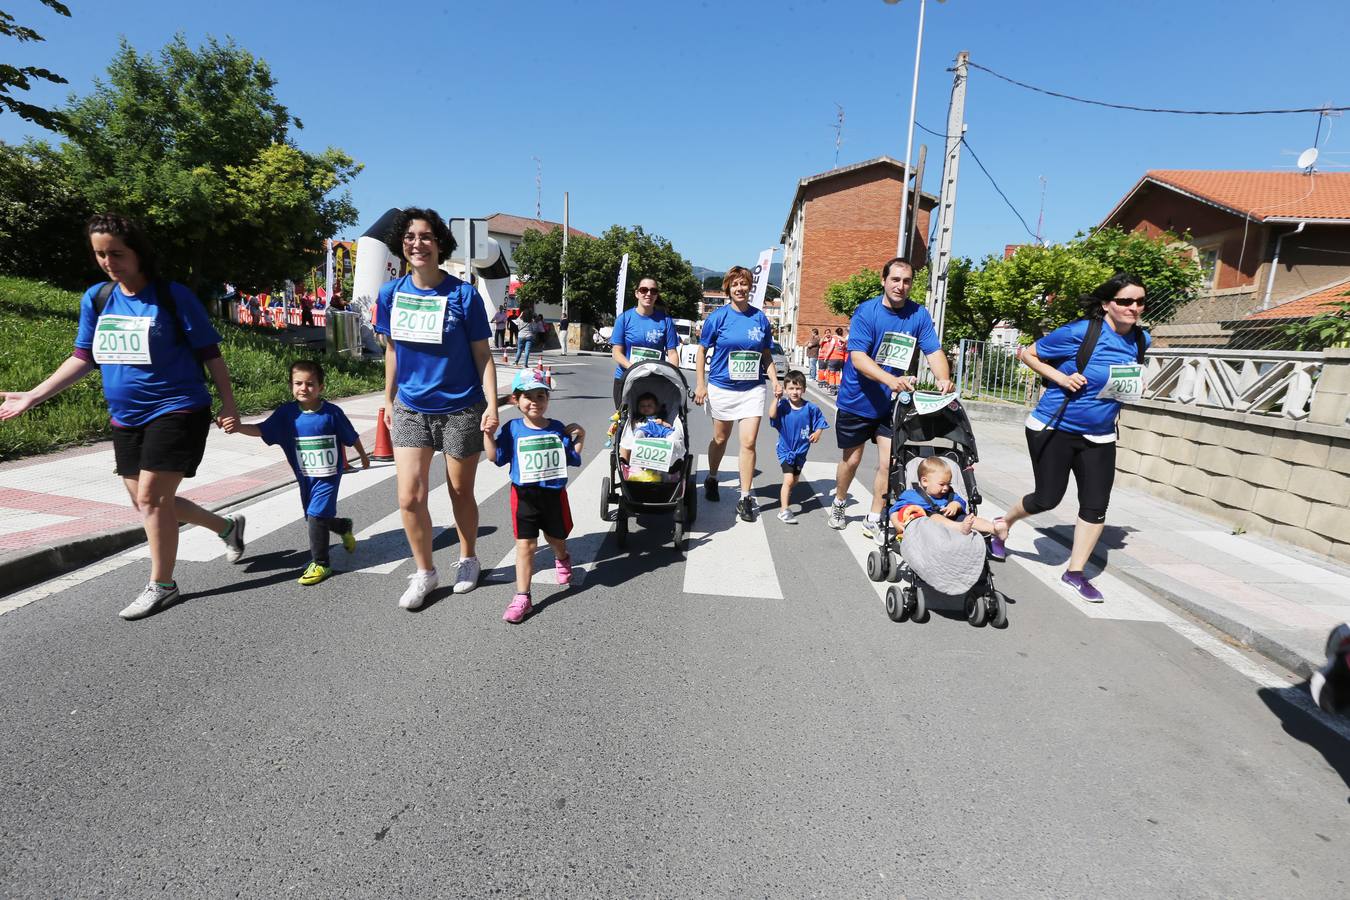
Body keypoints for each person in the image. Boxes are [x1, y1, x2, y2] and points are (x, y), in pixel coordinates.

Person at [0, 213, 247, 620]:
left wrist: (229, 404)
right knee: (147, 502)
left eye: (116, 252)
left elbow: (211, 355)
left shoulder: (172, 296)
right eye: (100, 254)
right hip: (126, 417)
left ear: (138, 252)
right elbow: (84, 357)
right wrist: (33, 396)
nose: (108, 261)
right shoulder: (97, 298)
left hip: (178, 408)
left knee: (152, 499)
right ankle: (226, 528)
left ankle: (163, 585)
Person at [992, 272, 1151, 603]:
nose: (1133, 307)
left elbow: (1120, 380)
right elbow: (1028, 353)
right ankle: (1002, 523)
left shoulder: (1141, 340)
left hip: (1101, 434)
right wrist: (1061, 378)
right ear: (1107, 304)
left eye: (1139, 301)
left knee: (1096, 505)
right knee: (1047, 498)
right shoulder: (1082, 331)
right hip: (1055, 426)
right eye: (1125, 301)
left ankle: (1075, 572)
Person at [375, 207, 498, 610]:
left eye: (426, 236)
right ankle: (425, 572)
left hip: (461, 408)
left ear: (439, 243)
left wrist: (492, 405)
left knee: (461, 491)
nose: (417, 243)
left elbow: (483, 355)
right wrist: (387, 397)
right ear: (402, 244)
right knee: (409, 497)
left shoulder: (462, 295)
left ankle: (468, 558)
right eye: (410, 237)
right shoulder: (390, 294)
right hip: (411, 409)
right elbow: (392, 350)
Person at [829, 257, 954, 541]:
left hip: (891, 405)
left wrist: (943, 377)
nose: (900, 286)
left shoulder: (918, 315)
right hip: (857, 401)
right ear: (884, 281)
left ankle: (874, 517)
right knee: (852, 460)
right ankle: (839, 501)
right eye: (895, 279)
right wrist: (890, 380)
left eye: (906, 281)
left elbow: (933, 351)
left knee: (889, 463)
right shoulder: (866, 313)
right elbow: (858, 358)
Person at [224, 360, 369, 585]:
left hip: (329, 476)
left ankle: (321, 563)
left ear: (321, 387)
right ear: (291, 386)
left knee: (316, 515)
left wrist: (363, 455)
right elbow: (262, 430)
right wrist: (239, 427)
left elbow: (352, 435)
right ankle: (342, 526)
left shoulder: (332, 413)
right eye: (298, 383)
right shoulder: (286, 415)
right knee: (315, 517)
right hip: (305, 477)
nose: (303, 388)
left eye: (310, 384)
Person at [484, 368, 585, 624]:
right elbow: (496, 457)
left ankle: (562, 557)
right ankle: (522, 597)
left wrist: (580, 437)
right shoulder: (512, 429)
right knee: (525, 546)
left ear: (547, 400)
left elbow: (572, 458)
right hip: (524, 496)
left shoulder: (557, 429)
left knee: (556, 537)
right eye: (528, 396)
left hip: (552, 495)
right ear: (516, 400)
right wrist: (487, 434)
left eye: (541, 396)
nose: (535, 402)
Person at [695, 265, 782, 523]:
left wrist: (776, 381)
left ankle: (744, 497)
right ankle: (712, 477)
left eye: (744, 284)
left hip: (752, 389)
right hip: (722, 387)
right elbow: (701, 351)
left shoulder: (760, 319)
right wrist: (701, 384)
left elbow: (766, 355)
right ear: (728, 289)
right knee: (720, 440)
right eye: (735, 285)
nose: (740, 288)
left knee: (748, 442)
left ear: (750, 287)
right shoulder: (717, 318)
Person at [888, 457, 1006, 539]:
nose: (945, 488)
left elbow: (960, 501)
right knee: (935, 517)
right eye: (941, 484)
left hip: (955, 519)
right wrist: (896, 522)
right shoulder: (911, 495)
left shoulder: (949, 494)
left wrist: (955, 505)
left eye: (948, 484)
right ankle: (960, 528)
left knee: (971, 518)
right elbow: (894, 510)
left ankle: (995, 529)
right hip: (929, 527)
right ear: (925, 482)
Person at [769, 370, 828, 524]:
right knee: (788, 480)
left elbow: (820, 421)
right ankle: (784, 510)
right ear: (786, 389)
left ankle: (786, 495)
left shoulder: (810, 408)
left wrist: (818, 432)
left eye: (798, 388)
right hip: (786, 450)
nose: (794, 392)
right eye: (791, 388)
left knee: (794, 480)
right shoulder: (783, 405)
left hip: (801, 452)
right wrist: (776, 399)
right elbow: (772, 415)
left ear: (804, 389)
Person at [611, 277, 680, 408]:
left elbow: (672, 354)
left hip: (655, 380)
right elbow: (616, 352)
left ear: (657, 295)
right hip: (627, 378)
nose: (648, 294)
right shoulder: (624, 319)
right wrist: (634, 368)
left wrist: (673, 376)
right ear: (637, 293)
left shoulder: (665, 320)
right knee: (624, 422)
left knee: (655, 422)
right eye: (644, 290)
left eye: (653, 291)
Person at [619, 392, 685, 483]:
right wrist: (633, 423)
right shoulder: (638, 419)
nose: (646, 408)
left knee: (671, 434)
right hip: (644, 435)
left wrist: (662, 423)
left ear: (656, 407)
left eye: (649, 405)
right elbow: (631, 429)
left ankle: (671, 448)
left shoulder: (660, 417)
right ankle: (638, 468)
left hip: (660, 436)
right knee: (638, 433)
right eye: (642, 406)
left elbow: (669, 426)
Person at [825, 326, 847, 393]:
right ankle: (838, 388)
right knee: (837, 373)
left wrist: (826, 357)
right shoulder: (843, 339)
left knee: (832, 373)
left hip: (834, 358)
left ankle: (832, 389)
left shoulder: (834, 338)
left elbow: (831, 348)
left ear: (836, 332)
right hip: (841, 358)